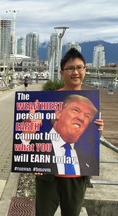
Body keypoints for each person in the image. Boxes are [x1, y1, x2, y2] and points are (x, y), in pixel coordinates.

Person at [33, 48, 104, 216]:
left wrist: (98, 130)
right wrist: (33, 160)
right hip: (47, 176)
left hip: (77, 179)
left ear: (85, 70)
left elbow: (91, 143)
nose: (76, 72)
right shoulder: (47, 101)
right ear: (61, 72)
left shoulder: (94, 102)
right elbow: (31, 135)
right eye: (70, 68)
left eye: (80, 67)